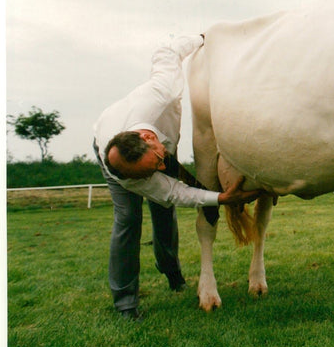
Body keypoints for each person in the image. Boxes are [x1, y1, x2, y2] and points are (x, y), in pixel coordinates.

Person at [93, 34, 260, 321]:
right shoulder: (126, 172)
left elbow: (167, 50)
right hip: (111, 152)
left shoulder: (163, 91)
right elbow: (174, 191)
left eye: (158, 162)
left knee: (163, 212)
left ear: (148, 137)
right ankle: (125, 302)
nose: (161, 169)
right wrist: (221, 198)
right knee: (128, 220)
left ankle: (172, 273)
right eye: (155, 169)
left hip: (147, 142)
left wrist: (198, 38)